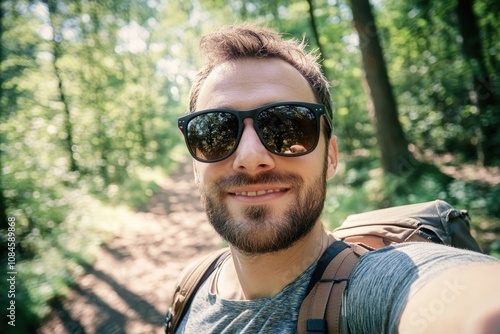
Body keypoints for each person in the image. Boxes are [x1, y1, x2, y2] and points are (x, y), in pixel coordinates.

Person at [172, 23, 500, 333]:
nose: (250, 158)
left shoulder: (374, 289)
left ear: (330, 157)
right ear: (195, 164)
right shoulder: (192, 285)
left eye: (288, 126)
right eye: (215, 131)